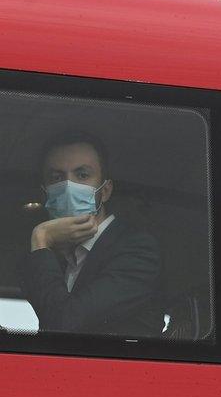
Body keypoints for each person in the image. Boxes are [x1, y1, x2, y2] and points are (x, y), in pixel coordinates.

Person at [19, 130, 163, 337]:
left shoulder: (138, 249)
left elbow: (62, 323)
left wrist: (41, 236)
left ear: (105, 191)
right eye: (56, 177)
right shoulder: (57, 259)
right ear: (45, 193)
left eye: (82, 175)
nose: (69, 186)